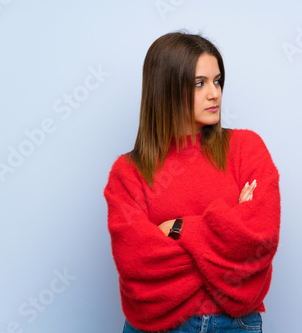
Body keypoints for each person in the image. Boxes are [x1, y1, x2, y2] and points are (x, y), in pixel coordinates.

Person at [104, 31, 281, 333]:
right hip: (157, 327)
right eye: (200, 83)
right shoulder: (128, 171)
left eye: (217, 80)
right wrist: (225, 249)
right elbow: (138, 264)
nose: (215, 93)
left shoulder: (245, 148)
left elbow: (258, 239)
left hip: (235, 325)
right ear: (166, 88)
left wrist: (179, 228)